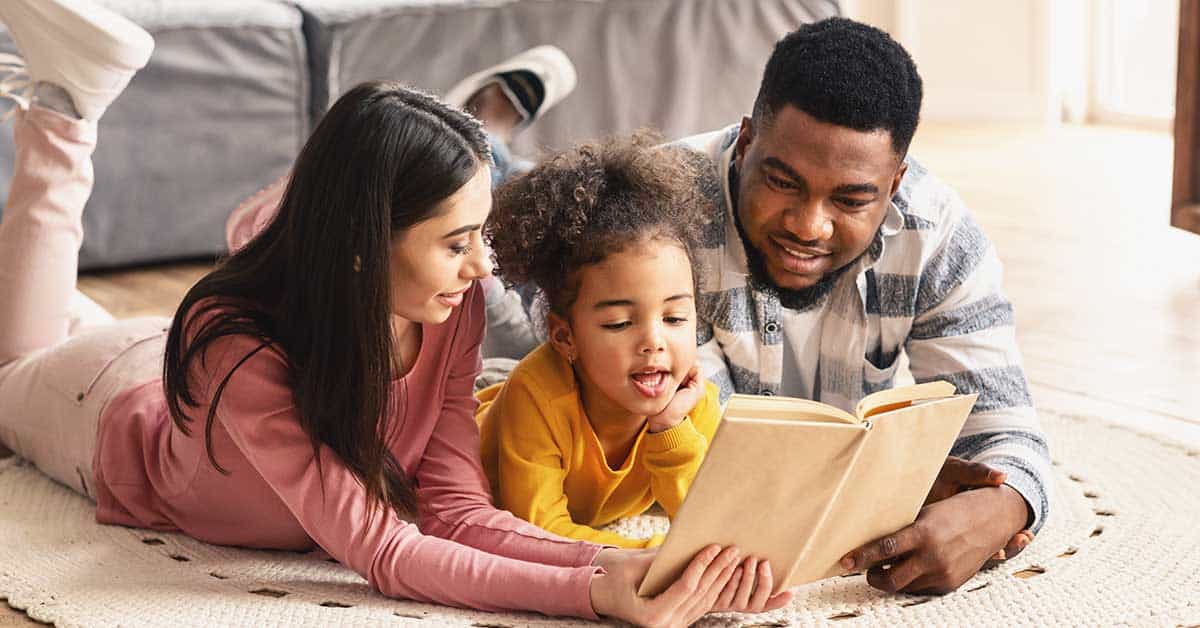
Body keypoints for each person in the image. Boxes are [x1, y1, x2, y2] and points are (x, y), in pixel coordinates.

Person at [0, 2, 785, 625]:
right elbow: (384, 547)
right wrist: (596, 594)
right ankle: (66, 113)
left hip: (247, 325)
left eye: (479, 236)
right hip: (103, 404)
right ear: (366, 246)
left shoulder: (453, 308)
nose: (484, 266)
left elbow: (453, 511)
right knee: (11, 370)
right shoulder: (238, 356)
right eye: (456, 243)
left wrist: (614, 566)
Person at [483, 17, 1048, 595]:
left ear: (896, 181)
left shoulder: (940, 238)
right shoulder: (661, 225)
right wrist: (896, 483)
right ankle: (484, 136)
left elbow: (1007, 429)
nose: (809, 226)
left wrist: (1004, 507)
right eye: (783, 182)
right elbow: (721, 463)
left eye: (851, 199)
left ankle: (491, 132)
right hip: (555, 284)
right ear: (747, 142)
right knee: (480, 212)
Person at [474, 136, 726, 550]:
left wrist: (669, 428)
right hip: (476, 413)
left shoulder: (691, 404)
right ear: (564, 336)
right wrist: (652, 555)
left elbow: (712, 524)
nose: (653, 342)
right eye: (620, 323)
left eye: (675, 318)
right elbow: (538, 531)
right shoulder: (537, 397)